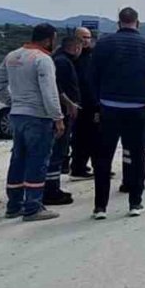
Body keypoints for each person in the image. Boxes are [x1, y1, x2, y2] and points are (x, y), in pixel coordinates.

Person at [89, 7, 145, 219]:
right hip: (137, 108)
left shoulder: (104, 44)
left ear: (118, 23)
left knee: (104, 157)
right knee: (137, 156)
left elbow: (92, 75)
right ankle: (135, 202)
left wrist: (99, 100)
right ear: (137, 23)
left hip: (109, 106)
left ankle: (100, 207)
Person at [0, 24, 66, 222]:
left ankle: (14, 205)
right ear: (49, 39)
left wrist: (13, 102)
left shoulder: (13, 56)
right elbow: (49, 92)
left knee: (18, 159)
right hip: (38, 117)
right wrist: (58, 117)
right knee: (37, 161)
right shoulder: (43, 59)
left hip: (17, 115)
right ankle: (33, 207)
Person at [44, 35, 82, 206]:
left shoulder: (60, 60)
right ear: (75, 48)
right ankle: (51, 191)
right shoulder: (62, 62)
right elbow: (57, 87)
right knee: (57, 152)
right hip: (61, 113)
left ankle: (53, 188)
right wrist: (69, 104)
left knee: (59, 151)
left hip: (63, 111)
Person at [70, 26, 98, 179]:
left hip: (92, 102)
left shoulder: (92, 55)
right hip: (78, 104)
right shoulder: (73, 57)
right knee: (80, 138)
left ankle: (92, 165)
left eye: (88, 37)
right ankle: (77, 167)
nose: (86, 40)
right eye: (83, 37)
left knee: (94, 136)